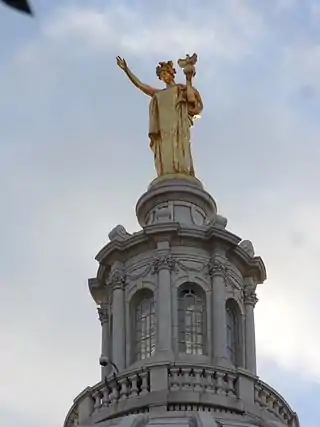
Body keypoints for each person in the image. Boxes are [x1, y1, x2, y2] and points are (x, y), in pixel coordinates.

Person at [116, 56, 203, 178]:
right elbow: (141, 86)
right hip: (164, 130)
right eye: (161, 75)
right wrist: (126, 70)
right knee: (165, 152)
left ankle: (182, 171)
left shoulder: (180, 89)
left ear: (171, 74)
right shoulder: (159, 94)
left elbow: (192, 100)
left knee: (181, 150)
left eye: (165, 73)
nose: (164, 77)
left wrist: (188, 80)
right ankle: (167, 173)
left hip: (179, 127)